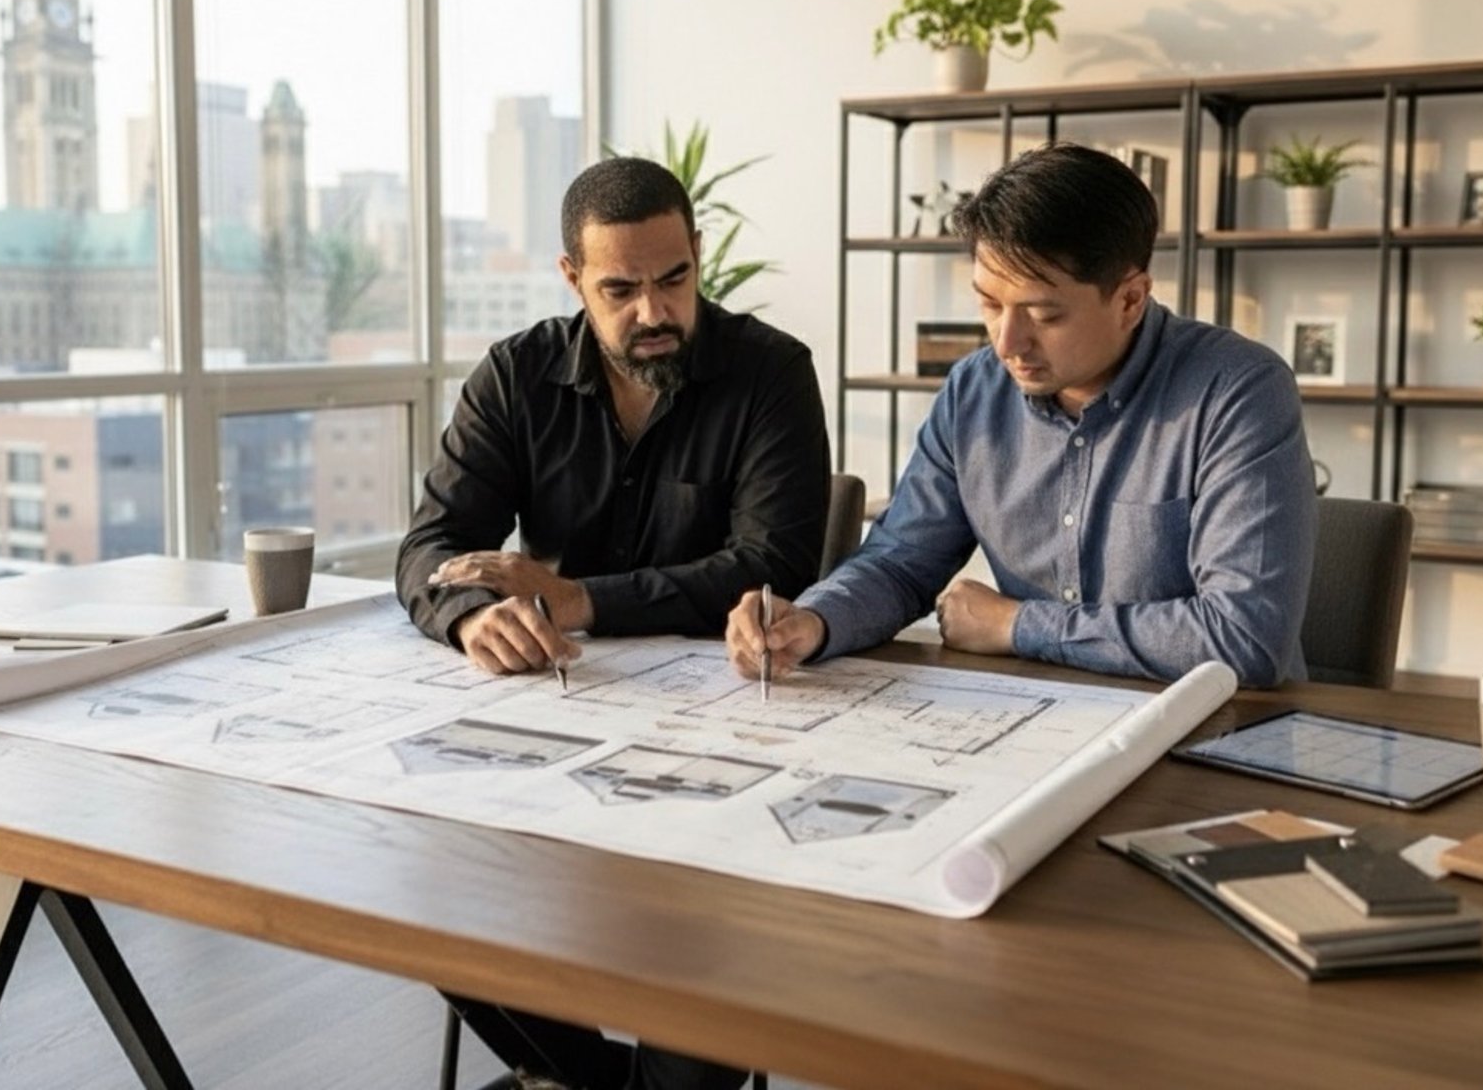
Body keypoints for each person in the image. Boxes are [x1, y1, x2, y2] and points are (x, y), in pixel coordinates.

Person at [396, 155, 828, 1090]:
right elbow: (432, 544)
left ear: (698, 254)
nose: (653, 311)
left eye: (674, 278)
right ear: (572, 277)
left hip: (727, 745)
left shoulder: (771, 372)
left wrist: (580, 599)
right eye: (620, 290)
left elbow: (776, 562)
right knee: (434, 896)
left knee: (704, 998)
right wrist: (471, 617)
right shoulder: (516, 375)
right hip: (555, 730)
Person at [726, 142, 1316, 690]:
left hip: (1212, 724)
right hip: (1038, 714)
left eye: (1044, 315)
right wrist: (814, 620)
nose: (1007, 343)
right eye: (989, 303)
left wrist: (1016, 625)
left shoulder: (1237, 391)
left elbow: (1244, 637)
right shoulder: (974, 391)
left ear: (1130, 299)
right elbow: (901, 561)